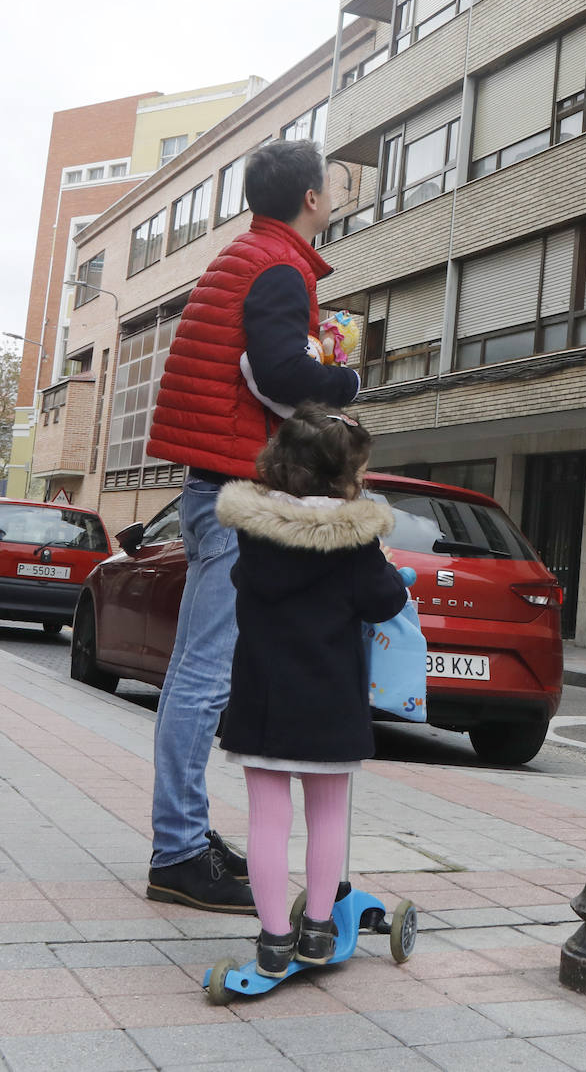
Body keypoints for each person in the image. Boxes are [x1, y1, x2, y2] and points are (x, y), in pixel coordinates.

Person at [144, 140, 361, 913]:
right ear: (309, 198)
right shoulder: (277, 266)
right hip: (234, 492)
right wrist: (345, 381)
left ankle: (186, 836)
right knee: (202, 682)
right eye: (332, 188)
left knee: (199, 679)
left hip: (216, 484)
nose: (335, 197)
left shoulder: (249, 255)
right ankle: (175, 852)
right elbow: (275, 374)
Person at [215, 404, 408, 975]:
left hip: (263, 700)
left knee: (266, 820)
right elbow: (387, 601)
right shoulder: (356, 543)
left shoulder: (255, 536)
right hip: (332, 702)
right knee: (327, 815)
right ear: (346, 478)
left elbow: (243, 583)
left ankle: (273, 940)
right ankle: (319, 932)